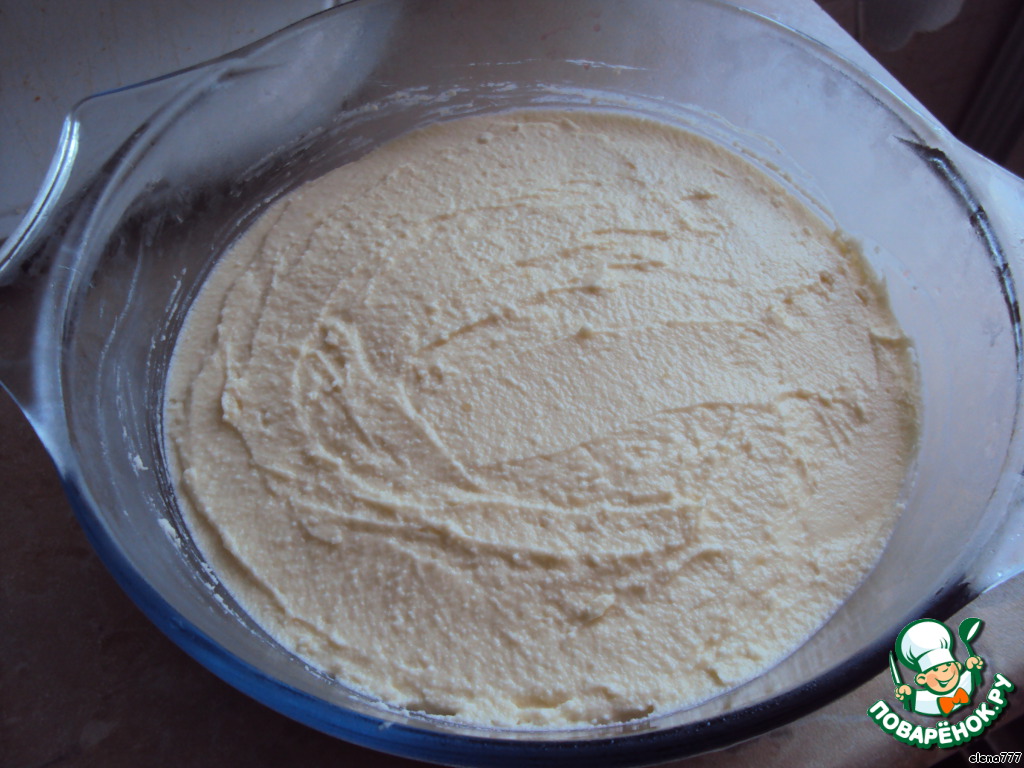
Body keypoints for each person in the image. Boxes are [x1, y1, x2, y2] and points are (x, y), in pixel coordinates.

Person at [894, 618, 984, 716]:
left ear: (958, 666)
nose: (944, 672)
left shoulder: (965, 682)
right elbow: (912, 701)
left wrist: (973, 667)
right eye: (936, 669)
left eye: (948, 665)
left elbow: (974, 677)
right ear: (922, 679)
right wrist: (907, 695)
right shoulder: (926, 701)